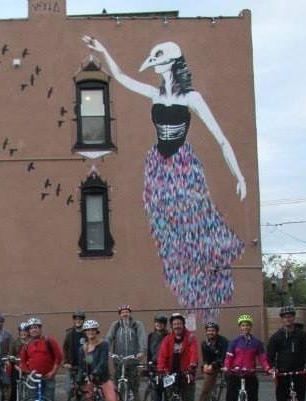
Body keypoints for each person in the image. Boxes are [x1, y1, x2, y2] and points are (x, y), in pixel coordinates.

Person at [82, 36, 246, 322]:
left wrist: (239, 175)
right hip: (159, 166)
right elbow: (120, 77)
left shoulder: (191, 98)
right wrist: (104, 50)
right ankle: (187, 284)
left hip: (183, 165)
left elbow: (221, 139)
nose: (155, 67)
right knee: (168, 231)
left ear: (173, 64)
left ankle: (206, 279)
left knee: (194, 225)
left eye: (160, 62)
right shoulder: (154, 94)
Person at [220, 314, 272, 401]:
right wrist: (227, 367)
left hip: (250, 375)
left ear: (250, 327)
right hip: (235, 375)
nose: (245, 327)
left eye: (247, 325)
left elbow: (263, 358)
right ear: (240, 327)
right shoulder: (234, 342)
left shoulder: (257, 343)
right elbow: (228, 357)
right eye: (243, 325)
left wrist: (267, 368)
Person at [76, 319, 126, 401]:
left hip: (103, 379)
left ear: (96, 331)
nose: (90, 332)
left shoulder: (103, 344)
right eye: (88, 330)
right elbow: (81, 366)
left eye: (93, 330)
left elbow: (103, 362)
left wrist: (95, 372)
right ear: (85, 332)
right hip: (90, 381)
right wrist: (79, 378)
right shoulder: (82, 349)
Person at [157, 313, 199, 401]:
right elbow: (162, 356)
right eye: (174, 324)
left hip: (186, 373)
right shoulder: (168, 340)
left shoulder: (190, 338)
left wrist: (192, 365)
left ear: (183, 324)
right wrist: (162, 369)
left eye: (179, 323)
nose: (177, 326)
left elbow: (193, 353)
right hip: (171, 374)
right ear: (172, 326)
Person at [19, 317, 63, 401]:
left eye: (36, 327)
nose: (34, 330)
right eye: (31, 328)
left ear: (40, 328)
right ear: (29, 331)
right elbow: (22, 362)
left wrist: (53, 372)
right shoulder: (27, 345)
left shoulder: (49, 341)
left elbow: (58, 357)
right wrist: (28, 372)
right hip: (34, 378)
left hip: (48, 377)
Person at [106, 304, 147, 401]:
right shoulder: (115, 325)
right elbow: (108, 338)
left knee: (134, 385)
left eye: (127, 312)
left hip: (133, 359)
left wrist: (141, 351)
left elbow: (142, 338)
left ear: (130, 313)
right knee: (116, 384)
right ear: (120, 315)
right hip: (119, 360)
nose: (125, 314)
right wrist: (105, 349)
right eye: (123, 312)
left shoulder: (137, 325)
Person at [196, 321, 228, 401]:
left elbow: (223, 357)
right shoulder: (204, 343)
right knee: (205, 390)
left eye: (213, 330)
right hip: (212, 366)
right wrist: (205, 365)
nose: (210, 332)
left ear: (217, 331)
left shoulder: (224, 341)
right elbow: (205, 358)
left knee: (231, 386)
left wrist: (213, 365)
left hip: (224, 365)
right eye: (208, 330)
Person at [147, 313, 169, 401]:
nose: (158, 325)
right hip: (154, 365)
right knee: (156, 391)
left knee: (167, 390)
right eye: (157, 323)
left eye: (161, 323)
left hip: (166, 366)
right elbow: (149, 353)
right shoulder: (151, 336)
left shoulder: (169, 336)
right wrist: (148, 366)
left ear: (165, 325)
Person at [8, 321, 30, 401]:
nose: (23, 333)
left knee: (31, 387)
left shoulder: (31, 342)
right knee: (14, 387)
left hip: (29, 368)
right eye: (21, 331)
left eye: (25, 331)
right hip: (17, 368)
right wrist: (13, 363)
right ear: (19, 332)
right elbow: (10, 355)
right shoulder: (14, 342)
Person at [63, 310, 87, 391]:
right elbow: (65, 348)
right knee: (69, 388)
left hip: (84, 365)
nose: (78, 321)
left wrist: (90, 362)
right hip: (71, 365)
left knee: (84, 389)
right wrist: (66, 362)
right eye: (76, 319)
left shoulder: (87, 333)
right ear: (73, 320)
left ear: (83, 321)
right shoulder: (69, 333)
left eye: (80, 319)